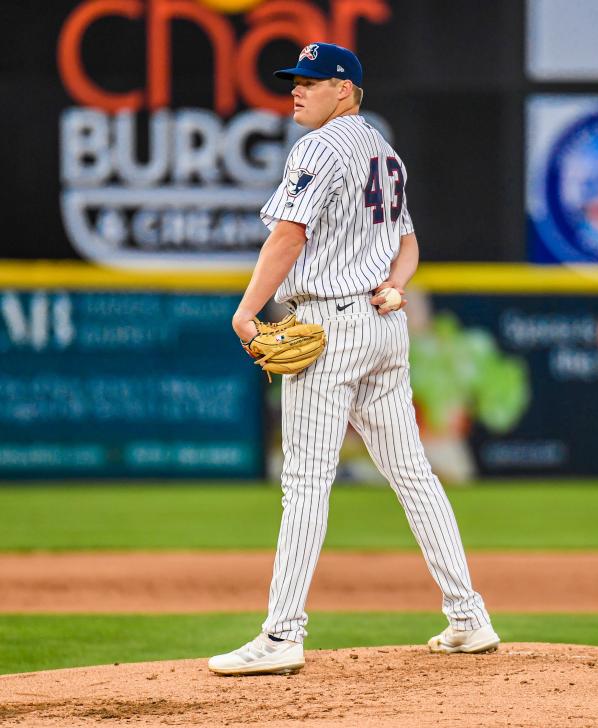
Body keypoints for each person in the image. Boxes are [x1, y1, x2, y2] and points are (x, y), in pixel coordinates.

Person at [208, 42, 499, 676]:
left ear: (346, 90)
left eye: (312, 81)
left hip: (329, 322)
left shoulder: (319, 146)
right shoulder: (386, 155)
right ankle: (468, 616)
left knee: (305, 481)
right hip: (383, 328)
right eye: (295, 81)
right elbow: (409, 243)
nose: (297, 90)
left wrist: (247, 312)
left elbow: (289, 234)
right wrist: (397, 285)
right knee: (415, 475)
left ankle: (283, 634)